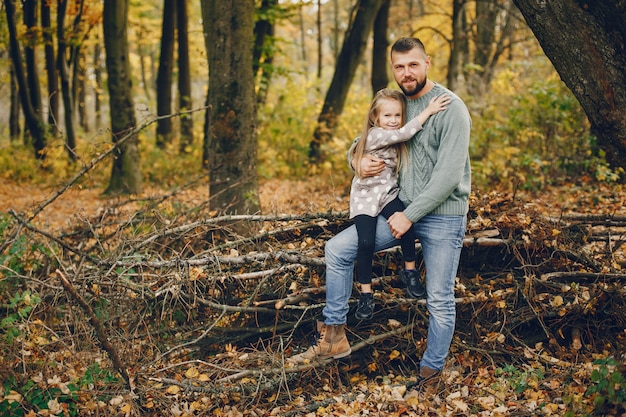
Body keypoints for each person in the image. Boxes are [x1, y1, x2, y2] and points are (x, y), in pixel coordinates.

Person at [289, 36, 471, 390]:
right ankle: (334, 337)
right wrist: (355, 161)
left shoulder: (450, 108)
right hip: (397, 206)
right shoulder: (396, 102)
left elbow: (449, 176)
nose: (406, 73)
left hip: (441, 215)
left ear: (427, 62)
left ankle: (430, 374)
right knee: (338, 250)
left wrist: (410, 214)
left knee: (439, 297)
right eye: (399, 66)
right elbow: (365, 139)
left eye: (413, 64)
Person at [349, 88, 450, 320]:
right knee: (366, 242)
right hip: (365, 197)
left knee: (406, 224)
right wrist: (429, 111)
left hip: (387, 194)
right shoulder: (376, 134)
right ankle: (366, 293)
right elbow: (405, 133)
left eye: (397, 115)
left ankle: (410, 271)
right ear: (375, 118)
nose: (393, 121)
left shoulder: (389, 134)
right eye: (387, 116)